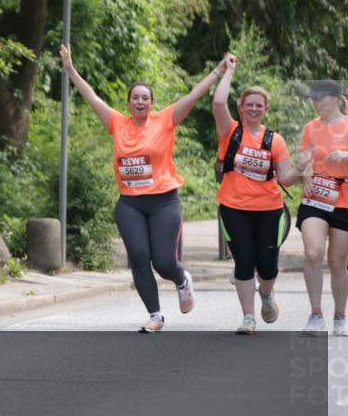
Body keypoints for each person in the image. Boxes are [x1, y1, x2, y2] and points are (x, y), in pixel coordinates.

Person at [59, 44, 231, 332]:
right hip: (130, 205)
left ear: (152, 103)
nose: (140, 101)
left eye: (145, 98)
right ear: (128, 103)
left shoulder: (165, 120)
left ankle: (181, 280)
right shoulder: (117, 123)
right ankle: (155, 315)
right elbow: (91, 96)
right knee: (139, 257)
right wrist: (70, 69)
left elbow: (193, 95)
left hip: (164, 202)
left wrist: (218, 70)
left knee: (163, 261)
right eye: (135, 97)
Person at [212, 56, 301, 334]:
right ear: (241, 107)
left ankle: (266, 293)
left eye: (258, 105)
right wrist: (229, 71)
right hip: (233, 206)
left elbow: (285, 177)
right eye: (248, 104)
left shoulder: (275, 140)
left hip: (269, 210)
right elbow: (217, 103)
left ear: (266, 109)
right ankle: (248, 318)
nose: (253, 108)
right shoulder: (231, 132)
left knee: (267, 267)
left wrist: (302, 166)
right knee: (244, 261)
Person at [295, 79, 348, 337]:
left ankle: (340, 316)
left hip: (345, 200)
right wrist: (302, 167)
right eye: (313, 99)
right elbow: (302, 159)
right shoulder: (310, 127)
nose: (316, 103)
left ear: (336, 99)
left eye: (321, 98)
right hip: (316, 198)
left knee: (338, 262)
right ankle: (316, 314)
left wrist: (346, 156)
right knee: (313, 253)